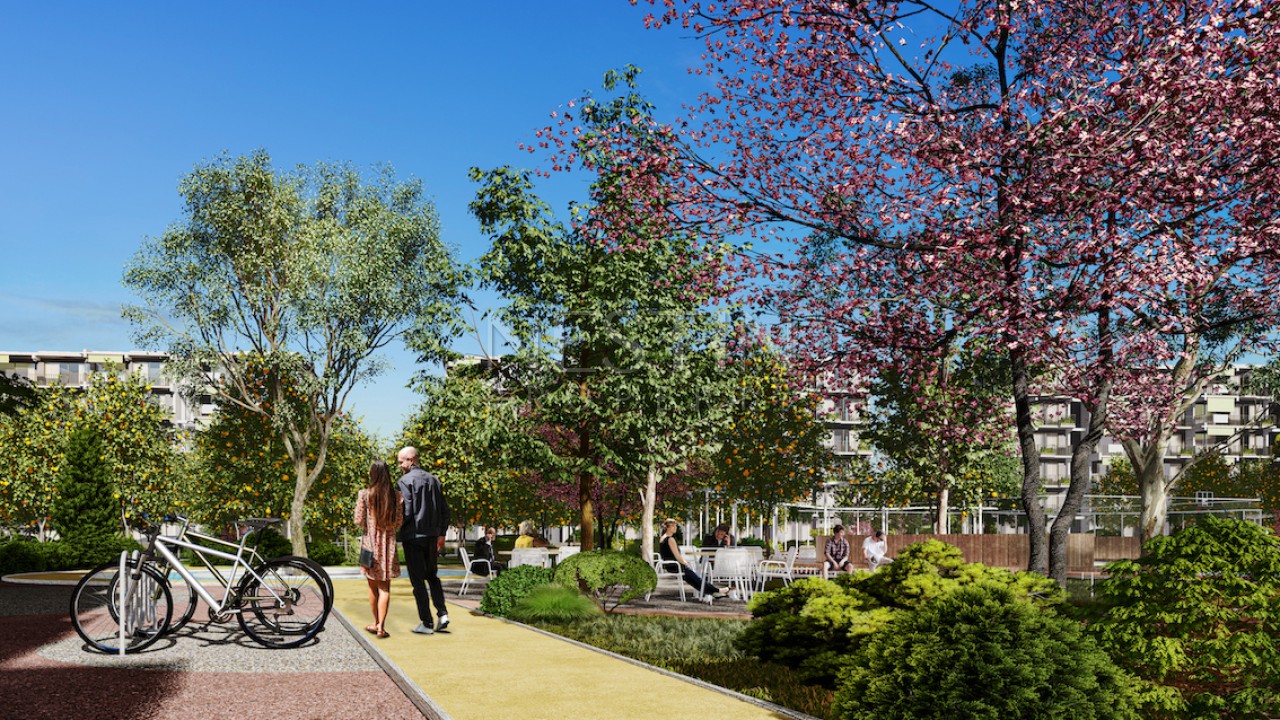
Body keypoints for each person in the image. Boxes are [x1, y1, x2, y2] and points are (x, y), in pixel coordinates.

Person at [397, 446, 451, 635]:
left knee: (418, 581)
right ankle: (442, 614)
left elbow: (407, 511)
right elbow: (445, 510)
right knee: (432, 576)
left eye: (401, 462)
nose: (400, 466)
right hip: (432, 536)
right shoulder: (434, 480)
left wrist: (397, 528)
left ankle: (427, 623)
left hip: (413, 536)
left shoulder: (404, 481)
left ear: (411, 460)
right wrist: (441, 533)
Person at [355, 460, 403, 639]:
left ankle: (375, 622)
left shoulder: (365, 495)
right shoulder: (397, 496)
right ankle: (382, 626)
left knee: (372, 586)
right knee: (385, 588)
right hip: (388, 545)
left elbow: (358, 520)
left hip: (370, 545)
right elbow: (398, 523)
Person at [659, 519, 728, 600]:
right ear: (668, 527)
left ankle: (713, 592)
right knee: (696, 578)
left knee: (693, 580)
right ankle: (716, 590)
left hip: (669, 565)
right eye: (673, 526)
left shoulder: (662, 538)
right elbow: (677, 556)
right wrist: (685, 563)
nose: (675, 528)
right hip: (675, 565)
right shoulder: (670, 539)